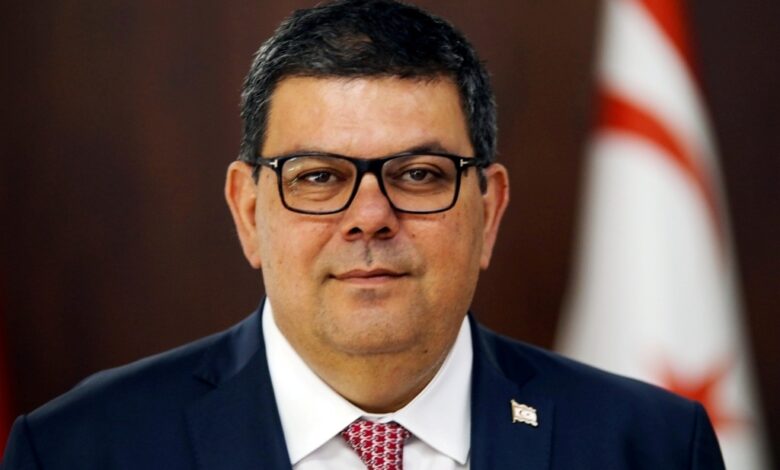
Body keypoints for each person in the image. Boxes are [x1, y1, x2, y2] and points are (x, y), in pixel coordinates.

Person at [2, 0, 725, 468]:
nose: (370, 216)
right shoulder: (77, 449)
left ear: (489, 210)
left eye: (419, 174)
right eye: (318, 176)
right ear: (249, 212)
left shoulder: (653, 446)